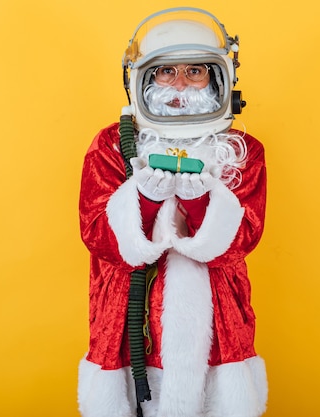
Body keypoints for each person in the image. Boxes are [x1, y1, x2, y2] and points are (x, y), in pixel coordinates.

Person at [77, 7, 267, 417]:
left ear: (218, 79)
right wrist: (143, 199)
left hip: (218, 325)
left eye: (195, 71)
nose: (180, 84)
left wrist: (201, 203)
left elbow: (242, 240)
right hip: (131, 323)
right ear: (141, 80)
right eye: (166, 72)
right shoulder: (111, 145)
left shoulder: (242, 151)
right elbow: (97, 236)